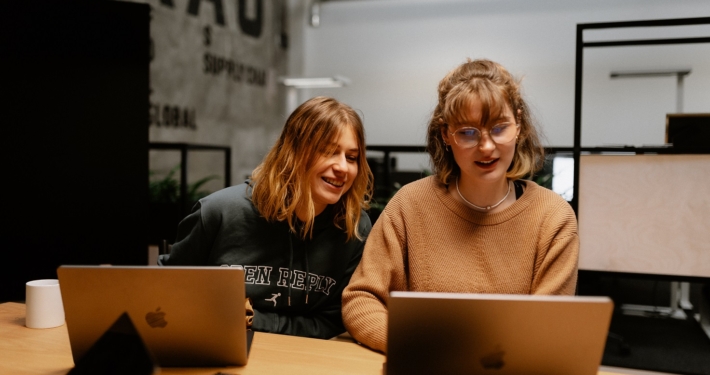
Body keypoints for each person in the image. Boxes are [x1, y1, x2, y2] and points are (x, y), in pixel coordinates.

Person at [341, 59, 579, 352]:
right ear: (445, 135)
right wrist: (420, 347)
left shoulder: (553, 217)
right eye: (468, 132)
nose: (486, 146)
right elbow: (361, 298)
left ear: (519, 126)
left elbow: (547, 327)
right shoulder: (410, 205)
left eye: (499, 128)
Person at [160, 96, 374, 340]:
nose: (343, 167)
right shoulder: (218, 212)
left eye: (352, 157)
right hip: (216, 344)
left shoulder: (354, 228)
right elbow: (166, 292)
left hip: (302, 357)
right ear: (293, 152)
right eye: (328, 151)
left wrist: (254, 320)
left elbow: (332, 320)